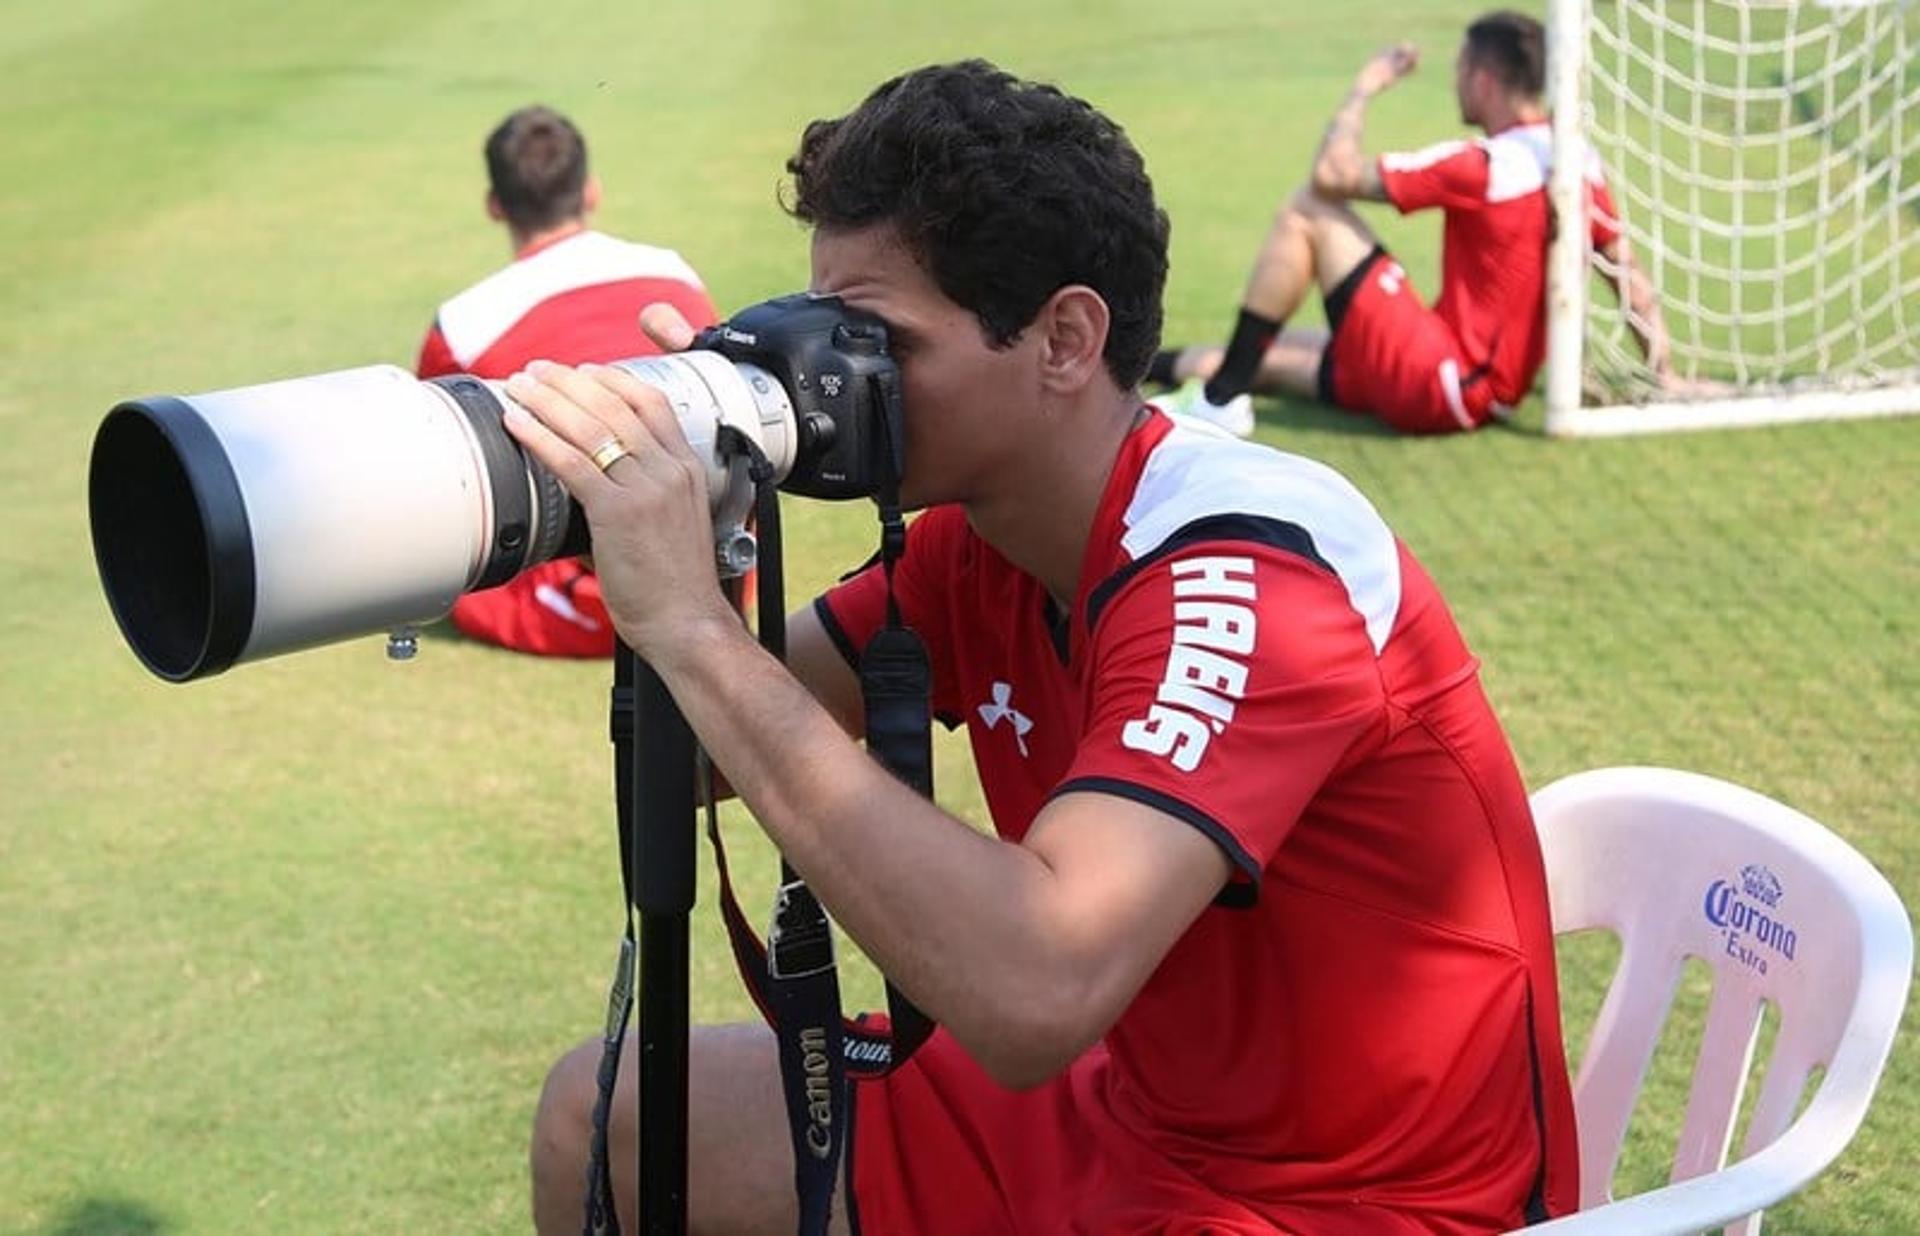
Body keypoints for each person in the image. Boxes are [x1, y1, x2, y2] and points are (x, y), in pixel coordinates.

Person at [508, 60, 1579, 1234]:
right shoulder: (983, 539)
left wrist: (698, 633)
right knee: (600, 1114)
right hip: (1126, 1115)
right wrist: (710, 495)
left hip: (1352, 1202)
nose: (837, 382)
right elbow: (693, 767)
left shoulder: (1254, 568)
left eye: (880, 342)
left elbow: (1034, 988)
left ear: (1065, 338)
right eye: (826, 330)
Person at [1154, 10, 1669, 437]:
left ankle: (1221, 402)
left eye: (1461, 71)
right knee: (1274, 355)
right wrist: (1662, 371)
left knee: (1306, 209)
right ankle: (1142, 369)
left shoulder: (1483, 166)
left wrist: (1366, 87)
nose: (1456, 83)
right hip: (1474, 383)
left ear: (1483, 80)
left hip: (1445, 382)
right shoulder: (1577, 161)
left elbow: (1331, 175)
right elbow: (1625, 271)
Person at [415, 104, 720, 656]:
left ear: (494, 205)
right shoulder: (674, 271)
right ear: (592, 191)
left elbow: (436, 484)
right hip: (724, 569)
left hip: (600, 601)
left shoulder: (463, 323)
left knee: (427, 573)